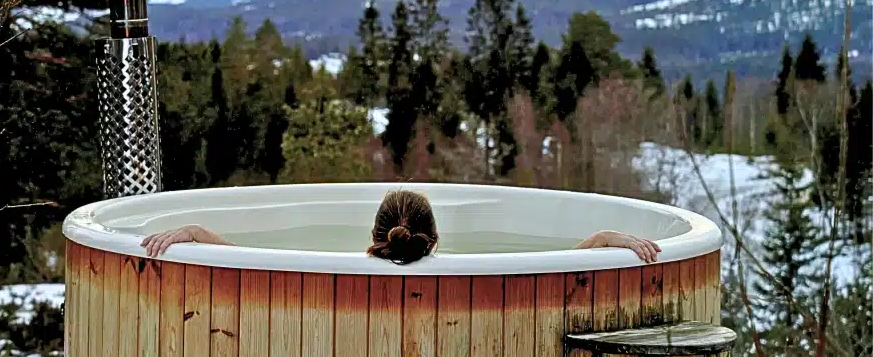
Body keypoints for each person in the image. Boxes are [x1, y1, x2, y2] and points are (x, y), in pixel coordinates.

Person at [140, 189, 662, 264]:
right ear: (436, 239)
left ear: (375, 235)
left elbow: (242, 259)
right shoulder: (480, 272)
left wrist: (192, 232)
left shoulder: (326, 271)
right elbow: (561, 265)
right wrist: (607, 240)